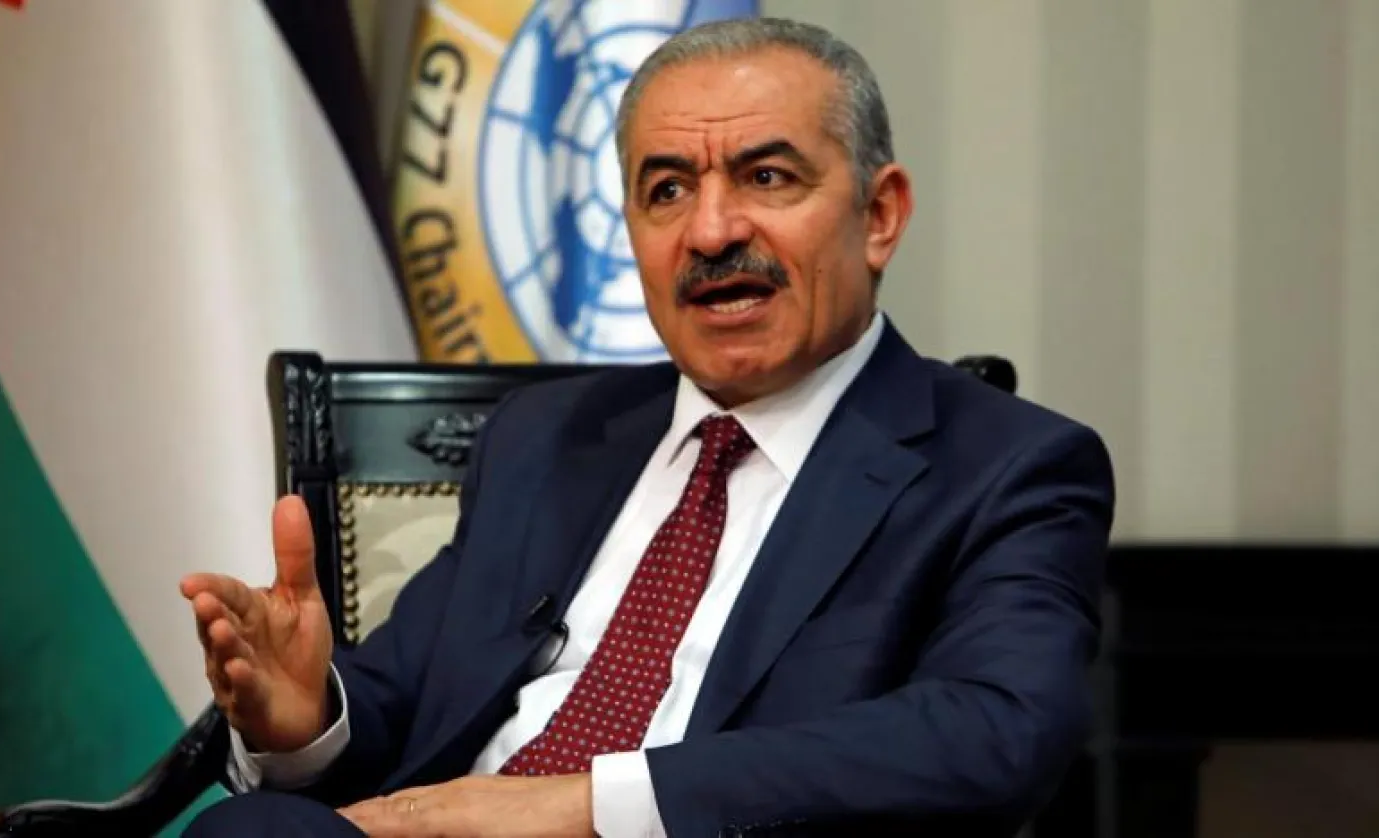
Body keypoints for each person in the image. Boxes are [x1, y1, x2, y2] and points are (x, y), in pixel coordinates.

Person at [180, 16, 1114, 838]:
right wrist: (305, 716)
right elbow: (412, 700)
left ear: (879, 214)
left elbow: (998, 731)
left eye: (767, 176)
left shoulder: (1007, 467)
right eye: (666, 190)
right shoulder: (546, 438)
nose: (710, 233)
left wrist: (589, 805)